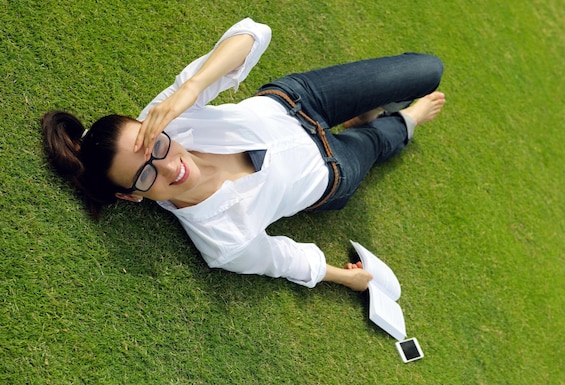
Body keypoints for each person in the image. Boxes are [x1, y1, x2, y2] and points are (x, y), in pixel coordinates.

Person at [41, 18, 445, 291]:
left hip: (299, 101)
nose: (170, 166)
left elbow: (254, 33)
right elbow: (280, 258)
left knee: (428, 70)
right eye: (146, 177)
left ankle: (366, 113)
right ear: (131, 196)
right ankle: (400, 122)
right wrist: (344, 278)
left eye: (157, 146)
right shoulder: (222, 241)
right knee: (382, 137)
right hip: (330, 172)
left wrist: (190, 88)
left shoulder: (165, 119)